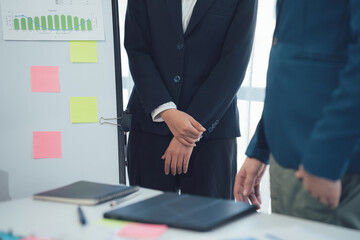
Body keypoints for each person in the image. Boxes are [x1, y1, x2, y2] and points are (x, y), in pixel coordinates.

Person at [234, 0, 360, 229]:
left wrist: (325, 161)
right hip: (286, 160)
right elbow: (293, 56)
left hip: (333, 166)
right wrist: (262, 147)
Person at [124, 0, 257, 199]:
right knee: (148, 222)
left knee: (210, 223)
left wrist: (189, 132)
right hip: (151, 128)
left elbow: (235, 61)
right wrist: (167, 111)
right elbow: (136, 47)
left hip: (213, 131)